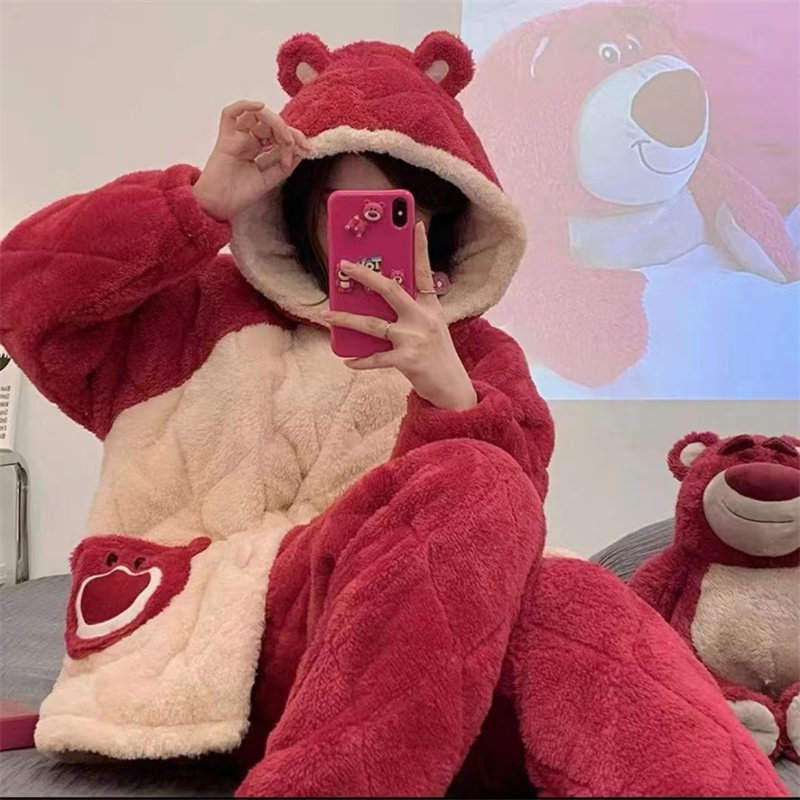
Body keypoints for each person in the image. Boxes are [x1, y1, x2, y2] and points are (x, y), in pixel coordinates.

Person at [0, 31, 786, 798]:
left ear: (446, 214)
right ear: (296, 208)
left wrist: (447, 393)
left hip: (399, 662)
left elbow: (492, 545)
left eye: (397, 209)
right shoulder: (189, 311)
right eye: (344, 208)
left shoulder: (477, 354)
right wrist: (194, 203)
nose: (368, 234)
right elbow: (22, 295)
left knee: (570, 593)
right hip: (199, 642)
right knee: (483, 481)